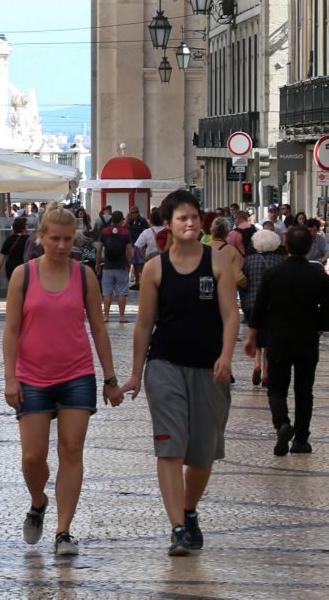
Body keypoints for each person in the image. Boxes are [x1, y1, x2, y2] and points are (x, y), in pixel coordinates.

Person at [2, 202, 123, 556]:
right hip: (32, 376)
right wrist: (10, 377)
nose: (60, 245)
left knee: (72, 450)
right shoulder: (22, 276)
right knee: (32, 457)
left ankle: (63, 531)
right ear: (41, 237)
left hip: (76, 374)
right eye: (54, 238)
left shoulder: (84, 275)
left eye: (67, 239)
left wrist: (110, 377)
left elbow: (99, 330)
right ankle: (38, 501)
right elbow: (10, 331)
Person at [125, 189, 237, 556]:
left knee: (202, 454)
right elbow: (143, 325)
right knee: (170, 446)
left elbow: (229, 315)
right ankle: (177, 528)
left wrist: (226, 355)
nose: (189, 223)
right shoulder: (156, 268)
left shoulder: (217, 262)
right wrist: (136, 374)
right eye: (181, 218)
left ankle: (189, 511)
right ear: (169, 225)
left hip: (209, 367)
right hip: (165, 364)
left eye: (193, 217)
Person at [245, 226, 329, 456]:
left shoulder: (273, 274)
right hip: (307, 338)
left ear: (286, 246)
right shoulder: (318, 275)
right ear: (310, 247)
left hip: (279, 337)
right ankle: (301, 440)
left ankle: (282, 423)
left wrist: (252, 337)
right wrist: (320, 326)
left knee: (277, 387)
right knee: (304, 391)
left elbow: (259, 308)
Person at [240, 230, 284, 387]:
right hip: (273, 305)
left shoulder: (250, 260)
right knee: (269, 338)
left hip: (253, 303)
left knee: (256, 337)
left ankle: (256, 364)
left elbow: (243, 280)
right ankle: (266, 372)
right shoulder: (280, 261)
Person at [95, 210, 132, 323]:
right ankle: (121, 316)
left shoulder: (105, 232)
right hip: (121, 266)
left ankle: (106, 316)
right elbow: (129, 251)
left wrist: (97, 263)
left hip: (108, 266)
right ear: (122, 220)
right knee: (121, 292)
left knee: (107, 292)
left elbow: (99, 249)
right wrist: (129, 265)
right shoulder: (126, 232)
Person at [127, 206, 149, 289]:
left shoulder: (142, 221)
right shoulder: (129, 221)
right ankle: (137, 283)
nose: (135, 214)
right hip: (132, 245)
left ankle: (142, 282)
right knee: (135, 265)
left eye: (136, 212)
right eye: (132, 212)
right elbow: (124, 228)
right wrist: (127, 219)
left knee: (141, 265)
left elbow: (146, 231)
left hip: (140, 246)